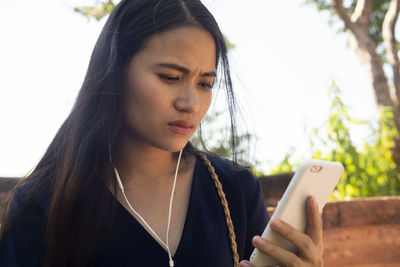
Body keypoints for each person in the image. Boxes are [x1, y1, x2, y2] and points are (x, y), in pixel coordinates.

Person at [0, 0, 324, 266]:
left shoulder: (234, 190)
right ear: (115, 72)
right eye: (170, 77)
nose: (190, 103)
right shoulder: (46, 204)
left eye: (205, 83)